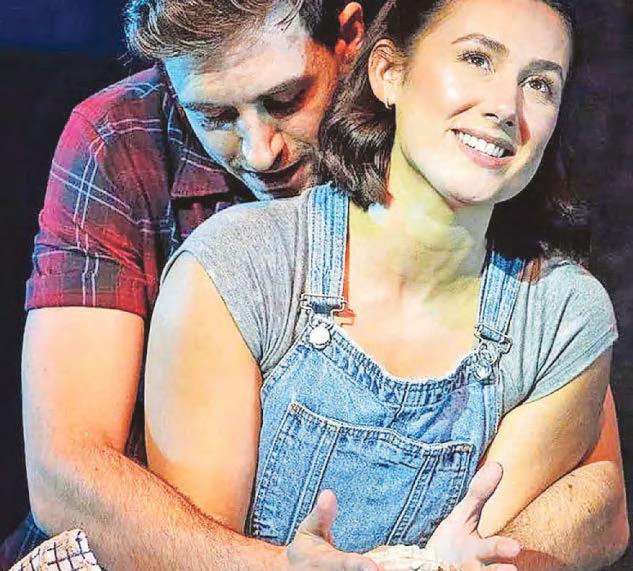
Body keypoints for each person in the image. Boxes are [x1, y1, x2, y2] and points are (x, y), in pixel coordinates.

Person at [10, 0, 627, 569]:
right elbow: (66, 472)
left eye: (285, 100)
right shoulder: (131, 150)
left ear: (355, 44)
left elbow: (596, 488)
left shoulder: (469, 151)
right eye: (216, 116)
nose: (259, 152)